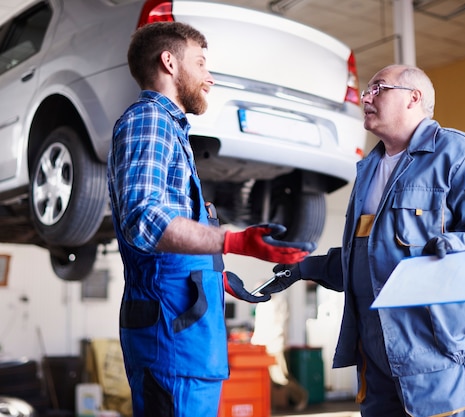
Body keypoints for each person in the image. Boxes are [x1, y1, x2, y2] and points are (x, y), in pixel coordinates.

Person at [260, 64, 465, 417]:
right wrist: (304, 268)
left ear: (414, 98)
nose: (366, 97)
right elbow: (367, 257)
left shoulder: (458, 154)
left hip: (436, 355)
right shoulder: (369, 169)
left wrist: (452, 248)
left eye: (379, 88)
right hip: (375, 358)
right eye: (367, 91)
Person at [106, 22, 315, 417]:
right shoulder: (148, 120)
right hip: (170, 342)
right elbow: (144, 219)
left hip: (188, 340)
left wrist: (214, 276)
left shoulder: (171, 130)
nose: (210, 77)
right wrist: (234, 242)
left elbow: (173, 239)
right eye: (200, 63)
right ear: (169, 62)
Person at [251, 291, 309, 411]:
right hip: (263, 346)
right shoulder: (261, 305)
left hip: (275, 345)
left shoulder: (278, 302)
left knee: (281, 377)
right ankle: (268, 406)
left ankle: (301, 397)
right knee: (267, 379)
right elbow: (259, 325)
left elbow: (280, 325)